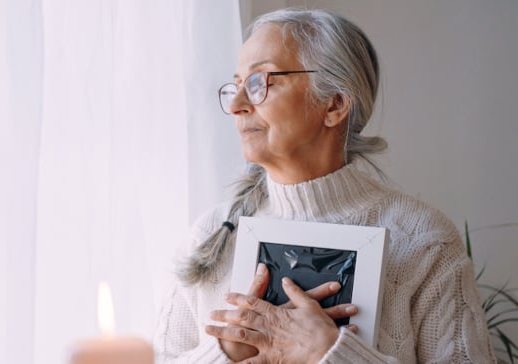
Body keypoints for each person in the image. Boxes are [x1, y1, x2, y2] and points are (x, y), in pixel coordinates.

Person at [153, 8, 495, 363]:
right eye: (237, 85)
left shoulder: (425, 242)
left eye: (259, 82)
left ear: (334, 104)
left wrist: (333, 353)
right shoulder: (209, 235)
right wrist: (226, 349)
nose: (237, 105)